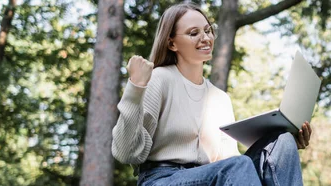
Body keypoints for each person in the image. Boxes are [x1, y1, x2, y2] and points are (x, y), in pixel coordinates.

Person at [111, 2, 313, 186]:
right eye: (194, 33)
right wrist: (136, 88)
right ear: (172, 43)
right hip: (161, 179)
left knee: (283, 141)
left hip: (207, 176)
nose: (206, 37)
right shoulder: (159, 79)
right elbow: (126, 152)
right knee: (238, 165)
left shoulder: (220, 98)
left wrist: (284, 153)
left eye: (208, 30)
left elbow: (228, 162)